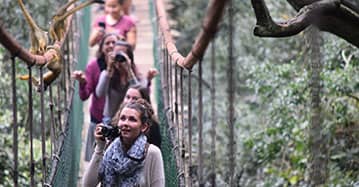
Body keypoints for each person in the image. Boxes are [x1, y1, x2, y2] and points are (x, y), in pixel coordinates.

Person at [82, 99, 165, 186]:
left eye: (132, 119)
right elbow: (88, 184)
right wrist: (99, 148)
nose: (125, 123)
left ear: (144, 127)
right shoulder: (110, 149)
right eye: (122, 118)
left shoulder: (152, 153)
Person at [72, 33, 122, 161]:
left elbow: (136, 87)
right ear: (101, 48)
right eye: (107, 43)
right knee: (97, 161)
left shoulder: (124, 64)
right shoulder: (93, 66)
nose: (111, 46)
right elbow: (84, 96)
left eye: (114, 43)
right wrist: (82, 82)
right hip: (98, 120)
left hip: (121, 121)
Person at [123, 84, 162, 148]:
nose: (129, 101)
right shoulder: (118, 117)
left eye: (134, 98)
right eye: (128, 97)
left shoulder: (152, 126)